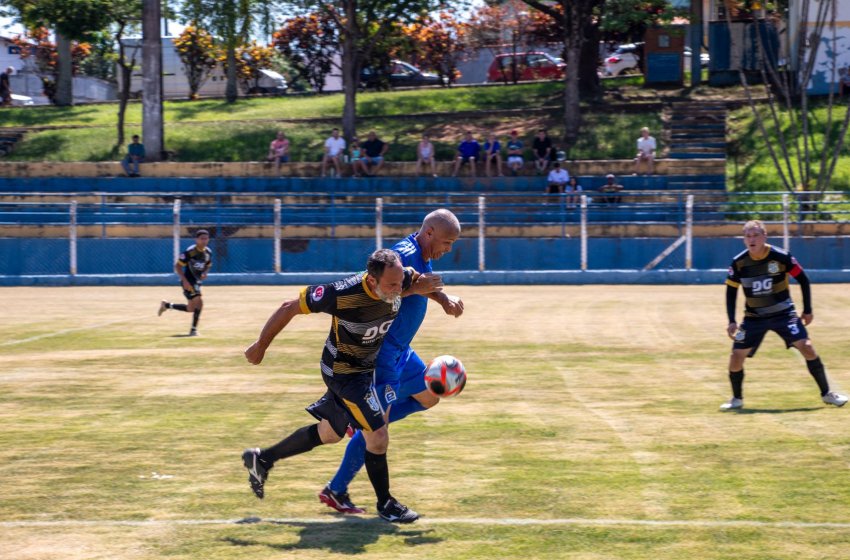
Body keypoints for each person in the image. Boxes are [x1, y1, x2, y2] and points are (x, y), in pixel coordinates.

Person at [240, 249, 432, 523]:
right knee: (377, 436)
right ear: (372, 280)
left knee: (330, 433)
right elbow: (288, 307)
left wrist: (441, 296)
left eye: (400, 282)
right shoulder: (342, 294)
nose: (398, 289)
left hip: (364, 370)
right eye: (391, 285)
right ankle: (386, 504)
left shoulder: (401, 279)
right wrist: (260, 347)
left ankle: (263, 459)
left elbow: (416, 283)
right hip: (344, 374)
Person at [318, 209, 464, 515]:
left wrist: (444, 299)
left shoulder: (422, 253)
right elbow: (377, 293)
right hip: (381, 354)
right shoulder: (403, 253)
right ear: (429, 233)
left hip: (401, 351)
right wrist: (426, 290)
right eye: (447, 242)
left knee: (429, 395)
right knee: (377, 429)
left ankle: (362, 424)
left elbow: (419, 284)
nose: (448, 249)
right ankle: (339, 488)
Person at [720, 220, 847, 410]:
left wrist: (808, 309)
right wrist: (731, 320)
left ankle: (828, 394)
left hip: (784, 314)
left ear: (764, 236)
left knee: (807, 347)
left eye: (755, 235)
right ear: (743, 239)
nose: (751, 239)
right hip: (753, 318)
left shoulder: (781, 257)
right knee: (736, 356)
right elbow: (731, 291)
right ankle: (736, 399)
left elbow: (803, 279)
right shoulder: (738, 263)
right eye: (748, 236)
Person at [158, 229, 212, 337]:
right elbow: (177, 266)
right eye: (202, 239)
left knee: (190, 308)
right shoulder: (190, 252)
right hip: (188, 281)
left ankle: (166, 305)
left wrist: (205, 272)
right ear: (196, 239)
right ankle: (193, 330)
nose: (204, 241)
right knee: (199, 302)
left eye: (206, 238)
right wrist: (184, 280)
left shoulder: (208, 252)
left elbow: (208, 264)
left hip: (197, 282)